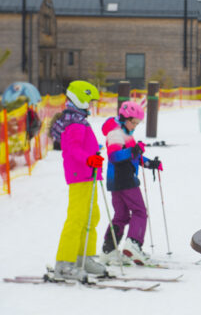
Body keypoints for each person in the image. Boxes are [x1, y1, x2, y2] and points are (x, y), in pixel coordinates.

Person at [99, 101, 163, 266]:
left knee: (120, 216)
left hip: (116, 181)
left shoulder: (125, 133)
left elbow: (134, 156)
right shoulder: (116, 134)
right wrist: (132, 150)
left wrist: (150, 164)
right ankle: (133, 243)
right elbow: (114, 156)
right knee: (140, 211)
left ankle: (109, 250)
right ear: (124, 117)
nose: (135, 126)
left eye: (137, 123)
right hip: (124, 179)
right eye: (133, 122)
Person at [53, 80, 106, 280]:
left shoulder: (79, 120)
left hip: (88, 175)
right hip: (79, 176)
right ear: (80, 98)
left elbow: (83, 147)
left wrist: (94, 152)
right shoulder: (74, 122)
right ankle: (64, 263)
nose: (91, 105)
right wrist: (89, 158)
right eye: (89, 101)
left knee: (91, 217)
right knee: (77, 218)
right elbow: (73, 149)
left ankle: (84, 257)